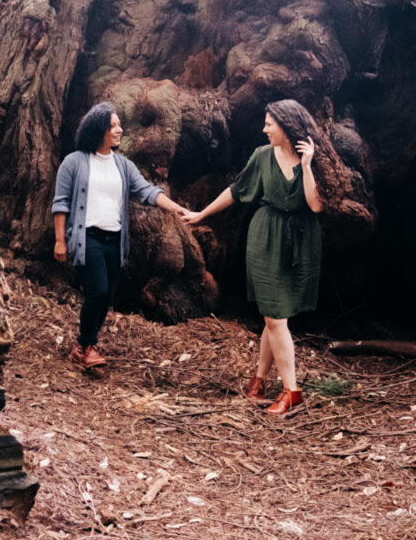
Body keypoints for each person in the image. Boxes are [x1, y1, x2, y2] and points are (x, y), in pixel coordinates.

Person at [185, 99, 324, 415]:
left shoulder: (311, 160)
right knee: (274, 316)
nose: (264, 129)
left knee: (275, 318)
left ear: (286, 129)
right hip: (265, 239)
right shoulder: (262, 157)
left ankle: (259, 380)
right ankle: (292, 391)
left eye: (269, 124)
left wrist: (306, 165)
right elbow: (236, 191)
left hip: (299, 243)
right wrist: (202, 214)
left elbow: (315, 206)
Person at [53, 102, 193, 369]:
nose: (119, 130)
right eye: (114, 125)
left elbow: (147, 191)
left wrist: (177, 209)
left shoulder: (123, 165)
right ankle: (84, 345)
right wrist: (60, 241)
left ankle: (87, 344)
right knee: (98, 291)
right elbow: (60, 204)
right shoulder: (74, 162)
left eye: (119, 125)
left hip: (115, 241)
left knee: (107, 296)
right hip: (88, 239)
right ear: (99, 129)